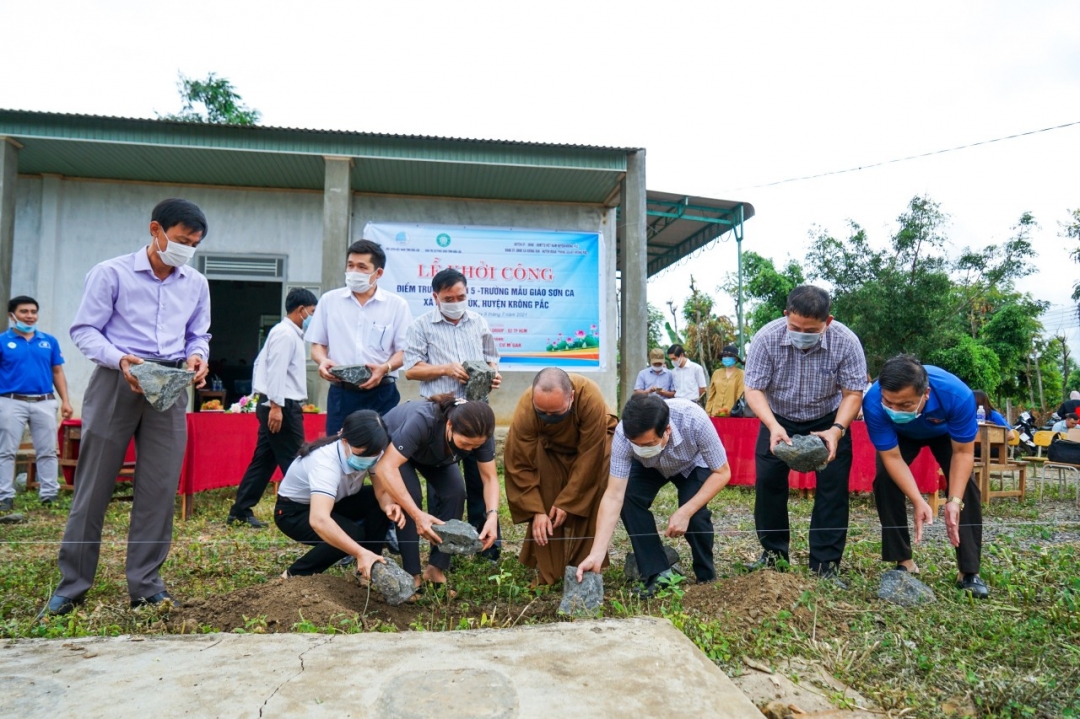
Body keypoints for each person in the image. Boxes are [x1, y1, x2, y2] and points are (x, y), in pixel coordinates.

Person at [41, 199, 211, 618]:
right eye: (181, 239)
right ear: (156, 230)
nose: (186, 249)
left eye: (194, 244)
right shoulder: (111, 273)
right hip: (118, 378)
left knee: (157, 489)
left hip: (170, 385)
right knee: (94, 486)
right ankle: (72, 586)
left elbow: (198, 333)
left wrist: (197, 356)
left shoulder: (195, 283)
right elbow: (85, 330)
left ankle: (147, 585)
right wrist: (120, 360)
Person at [743, 285, 867, 582]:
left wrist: (837, 430)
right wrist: (773, 426)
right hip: (778, 418)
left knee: (832, 491)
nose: (801, 334)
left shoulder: (847, 342)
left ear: (828, 321)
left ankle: (825, 565)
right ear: (786, 314)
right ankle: (773, 557)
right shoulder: (766, 338)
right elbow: (753, 389)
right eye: (795, 326)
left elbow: (853, 393)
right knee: (769, 484)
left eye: (810, 330)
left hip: (828, 420)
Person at [577, 394, 731, 596]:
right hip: (649, 466)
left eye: (649, 444)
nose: (642, 448)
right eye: (636, 444)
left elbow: (722, 472)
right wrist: (597, 553)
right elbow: (614, 495)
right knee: (629, 498)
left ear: (667, 430)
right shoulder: (624, 434)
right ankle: (658, 573)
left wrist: (685, 512)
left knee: (695, 515)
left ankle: (706, 576)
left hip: (692, 463)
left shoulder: (694, 419)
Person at [863, 355, 989, 598]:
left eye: (905, 405)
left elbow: (963, 453)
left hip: (943, 432)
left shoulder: (957, 395)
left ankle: (969, 572)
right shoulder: (873, 403)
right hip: (901, 435)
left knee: (966, 489)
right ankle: (903, 561)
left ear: (926, 394)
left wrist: (954, 500)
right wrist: (918, 500)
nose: (895, 409)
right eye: (890, 403)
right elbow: (892, 458)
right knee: (884, 480)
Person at [403, 268, 501, 557]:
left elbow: (492, 360)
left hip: (477, 410)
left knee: (479, 474)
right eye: (449, 298)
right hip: (441, 415)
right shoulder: (421, 326)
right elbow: (411, 370)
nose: (456, 302)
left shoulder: (479, 322)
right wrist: (445, 368)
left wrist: (493, 375)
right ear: (435, 297)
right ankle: (445, 543)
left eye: (461, 296)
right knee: (444, 483)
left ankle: (487, 544)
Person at [503, 368, 618, 585]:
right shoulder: (527, 405)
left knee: (592, 494)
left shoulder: (589, 396)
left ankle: (585, 565)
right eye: (542, 413)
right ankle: (549, 569)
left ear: (571, 397)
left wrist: (568, 501)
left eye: (556, 413)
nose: (548, 417)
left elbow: (590, 456)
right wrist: (536, 510)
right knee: (545, 500)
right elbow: (518, 462)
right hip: (550, 447)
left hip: (595, 448)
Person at [373, 395, 500, 590]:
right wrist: (418, 515)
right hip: (395, 448)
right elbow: (386, 467)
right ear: (449, 425)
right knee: (411, 499)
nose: (470, 450)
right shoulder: (423, 420)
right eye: (465, 444)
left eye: (475, 446)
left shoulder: (481, 433)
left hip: (436, 455)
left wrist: (492, 516)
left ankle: (436, 568)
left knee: (455, 493)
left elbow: (490, 478)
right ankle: (411, 575)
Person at [227, 288, 319, 528]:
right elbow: (275, 371)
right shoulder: (285, 335)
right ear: (301, 311)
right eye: (312, 312)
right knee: (297, 459)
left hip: (275, 403)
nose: (313, 317)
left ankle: (240, 510)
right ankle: (308, 511)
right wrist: (276, 406)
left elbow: (260, 364)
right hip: (281, 405)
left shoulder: (284, 333)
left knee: (264, 460)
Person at [274, 410, 399, 578]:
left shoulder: (372, 451)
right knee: (352, 535)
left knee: (375, 502)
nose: (369, 459)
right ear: (345, 441)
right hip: (293, 513)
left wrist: (388, 505)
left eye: (374, 455)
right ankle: (293, 575)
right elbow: (319, 520)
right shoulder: (325, 464)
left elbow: (381, 492)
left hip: (334, 502)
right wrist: (358, 551)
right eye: (363, 453)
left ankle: (370, 567)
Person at [306, 239, 412, 434]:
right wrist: (322, 361)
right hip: (341, 393)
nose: (354, 271)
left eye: (362, 267)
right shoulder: (330, 301)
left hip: (381, 393)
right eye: (350, 265)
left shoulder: (396, 305)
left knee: (381, 452)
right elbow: (317, 345)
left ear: (378, 273)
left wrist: (385, 368)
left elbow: (404, 351)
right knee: (337, 450)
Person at [0, 296, 74, 511]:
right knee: (6, 450)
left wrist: (66, 401)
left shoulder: (48, 341)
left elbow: (57, 371)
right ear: (12, 315)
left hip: (44, 401)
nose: (30, 316)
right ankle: (5, 495)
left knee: (48, 450)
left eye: (33, 311)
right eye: (24, 312)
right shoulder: (3, 341)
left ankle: (49, 494)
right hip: (10, 402)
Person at [705, 344, 745, 417]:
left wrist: (735, 412)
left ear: (735, 359)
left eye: (729, 356)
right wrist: (707, 412)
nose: (726, 358)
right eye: (724, 356)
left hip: (732, 415)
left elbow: (739, 397)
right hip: (715, 414)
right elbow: (711, 395)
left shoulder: (741, 374)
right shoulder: (716, 373)